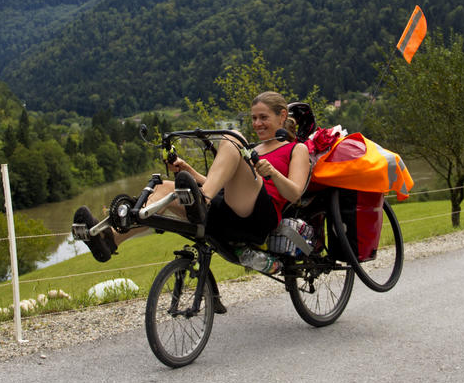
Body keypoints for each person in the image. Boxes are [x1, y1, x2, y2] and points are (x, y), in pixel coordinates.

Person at [73, 91, 311, 261]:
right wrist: (189, 171)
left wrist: (273, 173)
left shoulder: (295, 149)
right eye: (254, 118)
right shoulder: (253, 149)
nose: (257, 123)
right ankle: (110, 240)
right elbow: (224, 189)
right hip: (230, 210)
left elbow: (295, 194)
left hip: (260, 217)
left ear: (282, 116)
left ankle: (201, 201)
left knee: (232, 138)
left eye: (263, 117)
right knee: (165, 188)